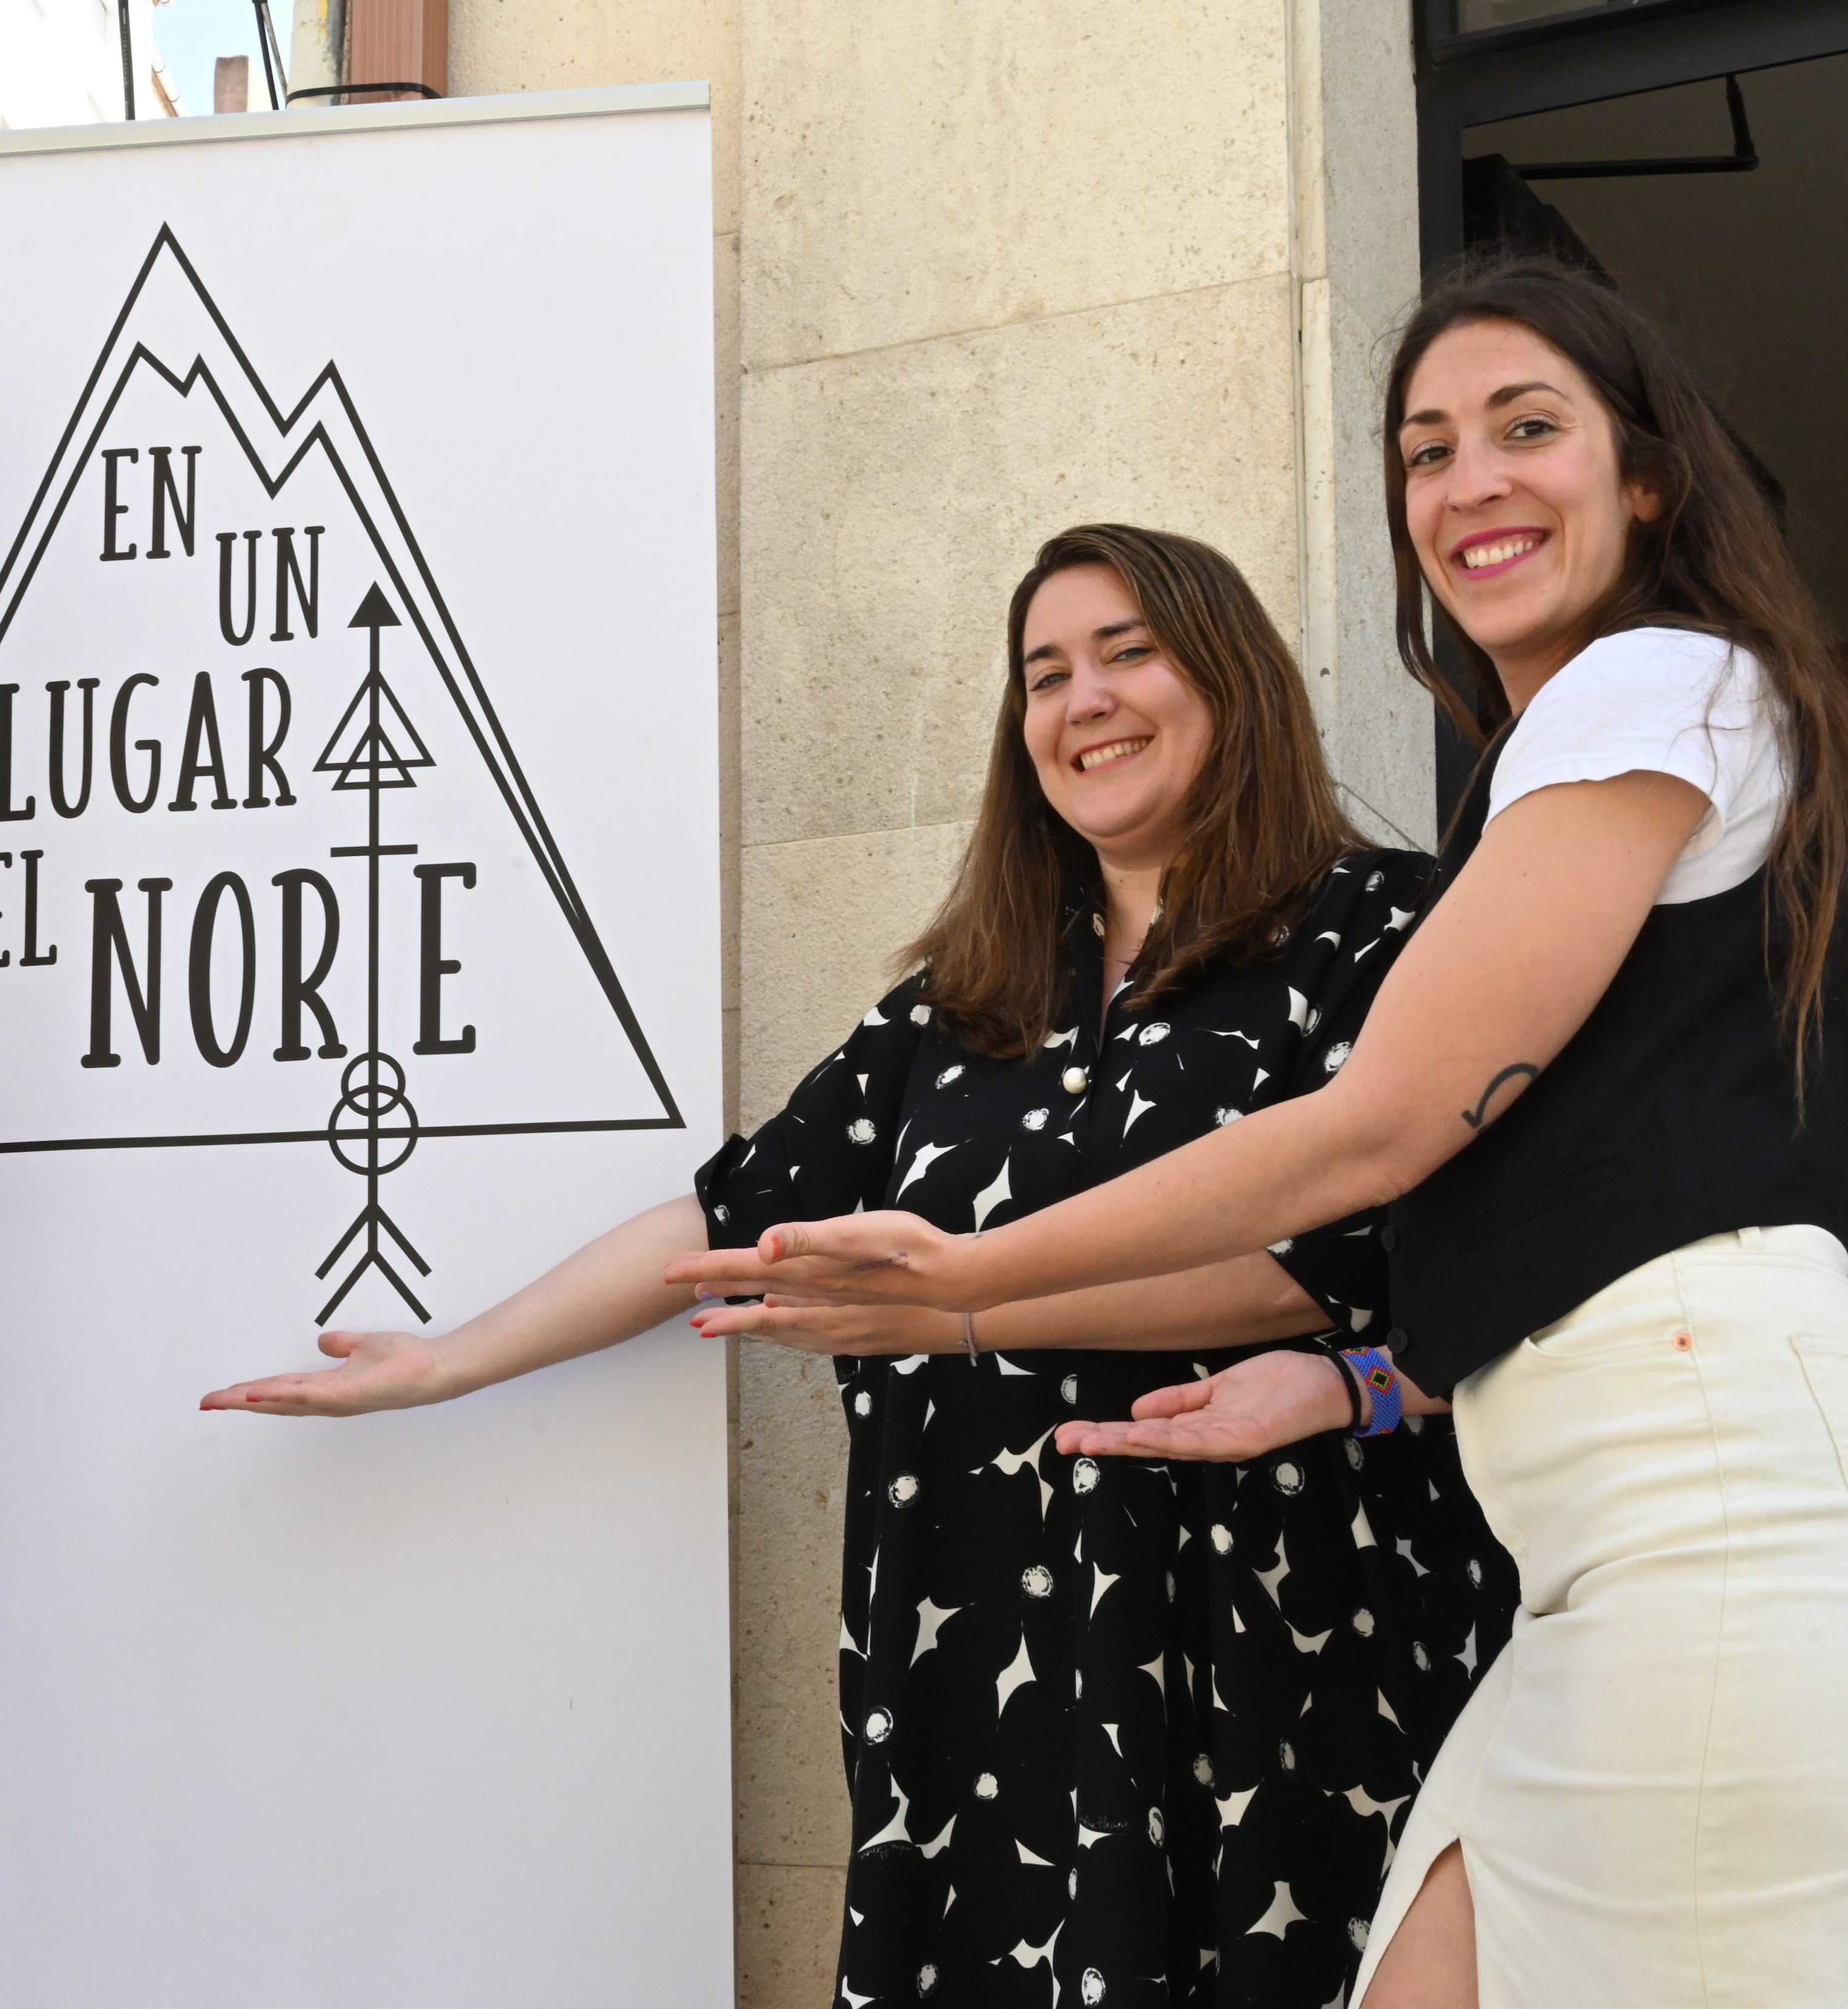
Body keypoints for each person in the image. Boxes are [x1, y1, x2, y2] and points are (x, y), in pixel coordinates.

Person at [686, 257, 1848, 2007]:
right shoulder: (1585, 758)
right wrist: (1367, 1377)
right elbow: (1563, 1198)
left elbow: (1374, 1130)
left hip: (1703, 1508)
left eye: (1528, 428)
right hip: (1604, 1528)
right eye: (1426, 449)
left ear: (1648, 476)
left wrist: (975, 1283)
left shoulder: (1645, 689)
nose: (1471, 484)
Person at [206, 524, 1514, 2006]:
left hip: (1266, 1648)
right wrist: (456, 1355)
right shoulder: (962, 1001)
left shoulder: (1384, 929)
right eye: (1042, 674)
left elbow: (1343, 1258)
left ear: (1235, 679)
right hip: (971, 1664)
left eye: (1128, 651)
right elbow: (734, 1218)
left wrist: (965, 1295)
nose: (1080, 700)